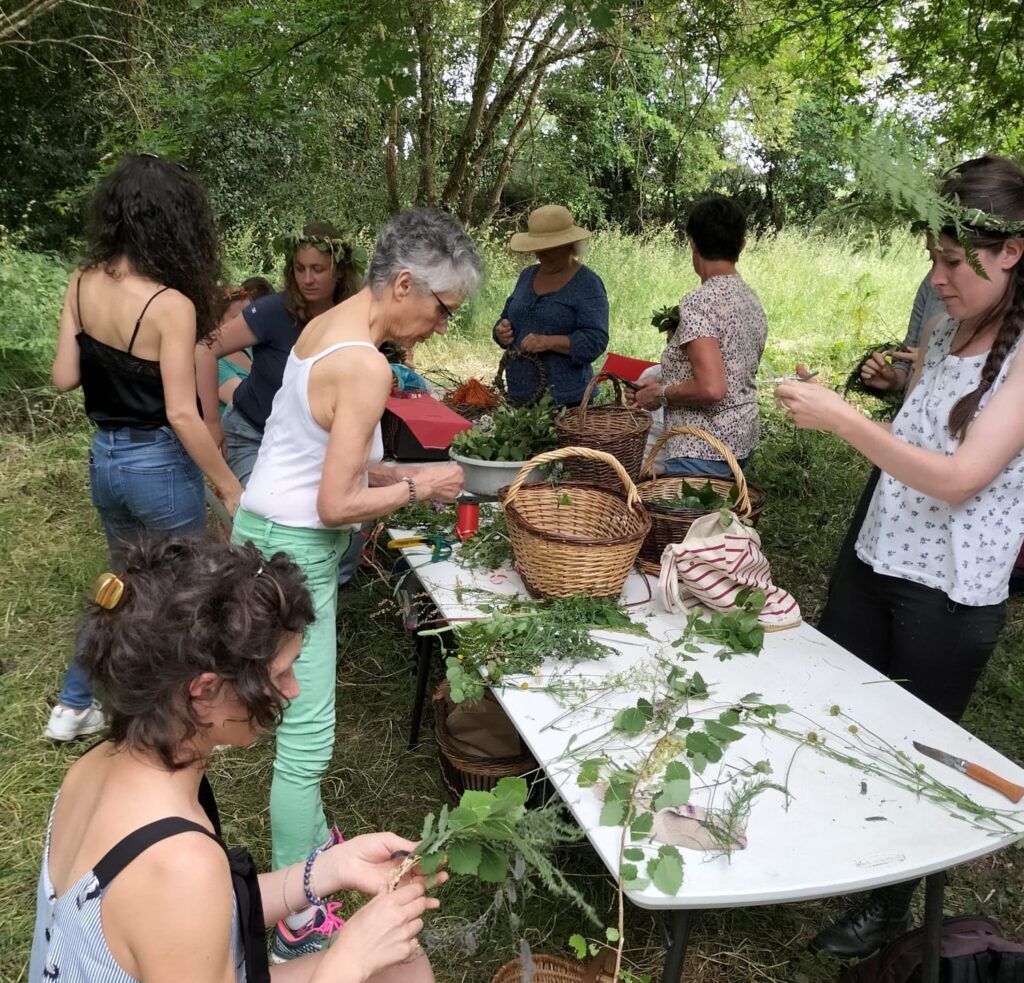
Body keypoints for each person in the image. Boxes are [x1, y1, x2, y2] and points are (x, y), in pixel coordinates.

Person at [776, 155, 1024, 959]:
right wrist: (894, 387)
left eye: (952, 261)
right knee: (835, 703)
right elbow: (940, 422)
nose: (937, 276)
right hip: (881, 547)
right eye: (933, 255)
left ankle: (886, 904)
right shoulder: (955, 322)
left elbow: (960, 478)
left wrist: (841, 417)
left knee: (918, 747)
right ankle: (822, 847)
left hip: (947, 588)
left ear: (1011, 251)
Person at [231, 207, 476, 960]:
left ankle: (313, 848)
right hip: (296, 549)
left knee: (296, 725)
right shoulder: (368, 364)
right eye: (441, 308)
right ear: (404, 283)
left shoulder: (328, 326)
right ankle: (298, 920)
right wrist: (418, 487)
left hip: (261, 530)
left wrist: (407, 474)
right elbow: (336, 502)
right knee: (307, 742)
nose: (440, 325)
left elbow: (329, 456)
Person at [31, 536, 442, 983]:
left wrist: (330, 868)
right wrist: (350, 959)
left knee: (402, 963)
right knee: (391, 969)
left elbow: (196, 921)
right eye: (280, 674)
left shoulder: (99, 764)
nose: (292, 691)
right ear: (203, 691)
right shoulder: (180, 864)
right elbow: (186, 900)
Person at [44, 154, 244, 742]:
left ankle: (74, 703)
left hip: (104, 458)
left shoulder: (81, 282)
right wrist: (229, 487)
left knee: (123, 580)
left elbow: (62, 376)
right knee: (182, 592)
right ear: (174, 223)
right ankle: (162, 712)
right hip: (157, 461)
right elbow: (184, 413)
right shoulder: (171, 305)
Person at [201, 223, 363, 485]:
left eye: (318, 269)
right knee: (267, 514)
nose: (307, 279)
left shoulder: (351, 317)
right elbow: (205, 349)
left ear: (340, 271)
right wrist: (210, 423)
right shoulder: (273, 311)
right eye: (300, 269)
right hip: (252, 435)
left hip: (311, 445)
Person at [630, 196, 767, 476]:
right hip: (740, 438)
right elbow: (729, 367)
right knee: (720, 519)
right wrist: (663, 378)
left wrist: (661, 394)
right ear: (741, 245)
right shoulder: (749, 298)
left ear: (692, 243)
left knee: (694, 521)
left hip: (701, 449)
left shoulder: (699, 303)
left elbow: (711, 388)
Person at [493, 204, 609, 406]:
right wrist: (500, 331)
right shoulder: (527, 275)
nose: (542, 255)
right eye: (538, 248)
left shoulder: (587, 283)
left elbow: (595, 341)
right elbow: (507, 317)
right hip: (519, 396)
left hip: (567, 402)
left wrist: (549, 342)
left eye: (550, 249)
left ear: (570, 245)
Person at [860, 274, 947, 393]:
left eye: (953, 262)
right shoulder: (931, 283)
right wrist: (893, 380)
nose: (935, 278)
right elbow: (908, 359)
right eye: (933, 260)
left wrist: (935, 365)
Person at [217, 277, 274, 409]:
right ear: (217, 321)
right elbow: (249, 405)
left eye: (249, 316)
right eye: (237, 319)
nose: (246, 323)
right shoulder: (216, 364)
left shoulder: (251, 350)